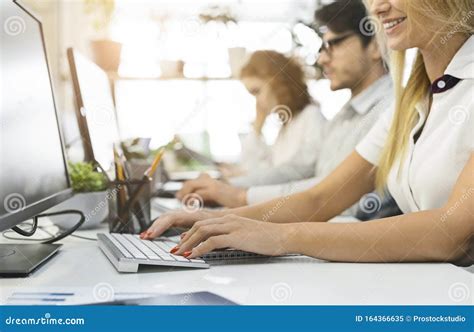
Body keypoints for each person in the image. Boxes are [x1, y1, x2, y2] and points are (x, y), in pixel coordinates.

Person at [142, 0, 474, 266]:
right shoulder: (410, 103)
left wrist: (282, 237)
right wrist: (214, 220)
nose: (378, 7)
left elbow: (450, 232)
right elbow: (321, 197)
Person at [176, 0, 393, 213]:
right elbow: (300, 171)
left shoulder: (389, 111)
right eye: (321, 48)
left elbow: (338, 199)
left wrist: (239, 197)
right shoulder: (343, 116)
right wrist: (230, 188)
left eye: (333, 45)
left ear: (375, 46)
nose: (321, 58)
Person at [225, 50, 324, 177]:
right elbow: (264, 169)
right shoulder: (286, 127)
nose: (257, 103)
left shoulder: (311, 117)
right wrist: (257, 127)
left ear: (277, 82)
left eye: (257, 91)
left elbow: (298, 171)